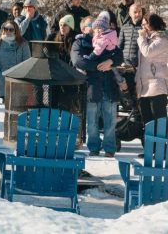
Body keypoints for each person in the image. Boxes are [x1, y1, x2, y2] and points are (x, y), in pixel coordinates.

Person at [71, 15, 124, 157]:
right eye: (91, 25)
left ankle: (109, 148)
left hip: (109, 86)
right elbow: (78, 61)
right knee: (92, 122)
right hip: (92, 87)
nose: (95, 28)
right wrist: (100, 66)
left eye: (95, 24)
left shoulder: (107, 38)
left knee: (110, 122)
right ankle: (94, 147)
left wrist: (111, 62)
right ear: (83, 28)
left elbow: (119, 55)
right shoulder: (80, 43)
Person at [135, 14, 168, 142]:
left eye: (145, 24)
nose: (143, 27)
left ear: (152, 24)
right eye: (142, 25)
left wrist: (141, 38)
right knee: (147, 120)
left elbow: (147, 52)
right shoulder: (146, 39)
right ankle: (150, 148)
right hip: (144, 85)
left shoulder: (162, 40)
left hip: (157, 84)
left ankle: (163, 148)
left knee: (158, 119)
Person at [0, 20, 31, 103]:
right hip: (4, 80)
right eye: (6, 29)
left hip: (19, 81)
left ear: (16, 31)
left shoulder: (23, 43)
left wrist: (21, 76)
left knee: (19, 109)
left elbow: (27, 62)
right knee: (7, 108)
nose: (8, 31)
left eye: (11, 29)